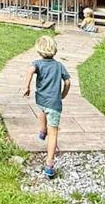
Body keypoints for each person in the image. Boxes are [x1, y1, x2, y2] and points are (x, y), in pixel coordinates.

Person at [22, 35, 71, 179]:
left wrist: (26, 86)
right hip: (54, 104)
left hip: (41, 99)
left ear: (39, 50)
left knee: (42, 110)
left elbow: (30, 70)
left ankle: (42, 130)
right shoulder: (59, 66)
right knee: (54, 133)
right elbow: (67, 82)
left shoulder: (37, 63)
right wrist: (63, 94)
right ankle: (49, 164)